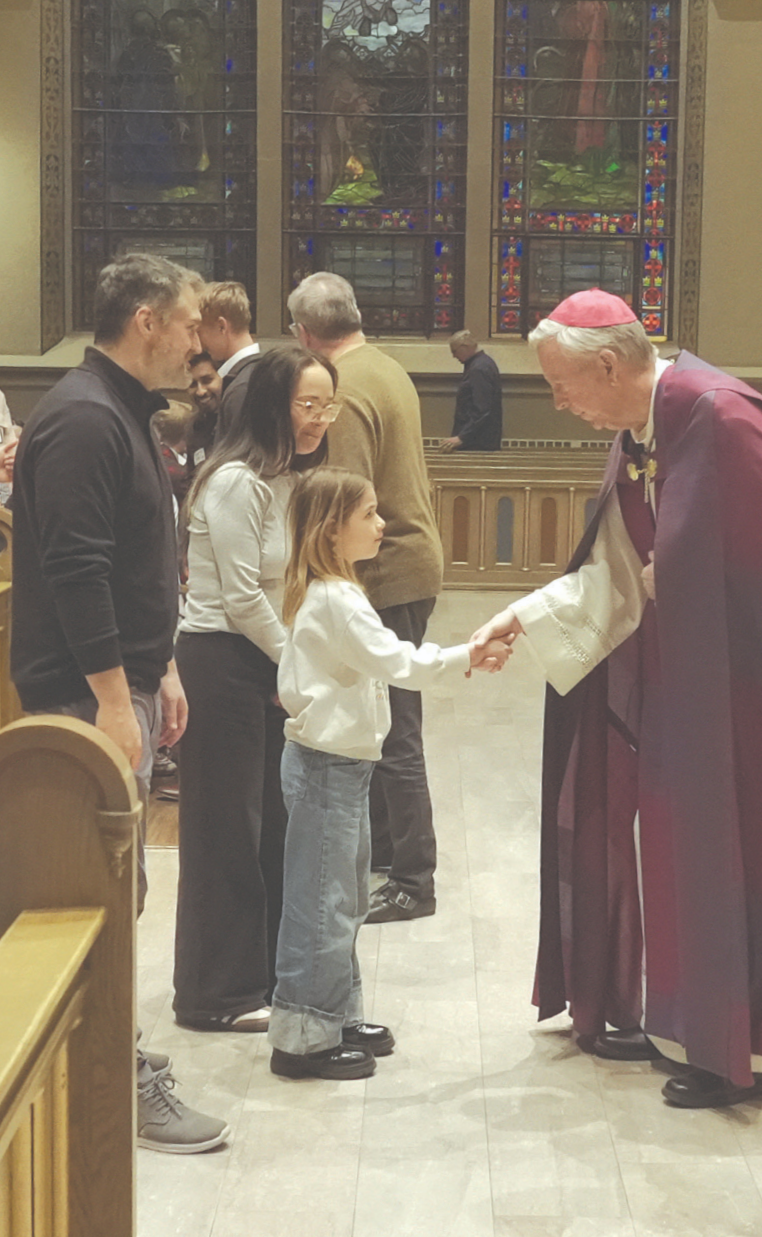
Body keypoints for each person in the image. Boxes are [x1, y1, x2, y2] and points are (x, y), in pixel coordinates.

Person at [472, 287, 762, 1109]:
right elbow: (622, 567)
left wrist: (697, 580)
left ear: (608, 364)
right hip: (693, 690)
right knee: (682, 842)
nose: (559, 404)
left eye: (563, 385)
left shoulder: (723, 420)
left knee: (759, 850)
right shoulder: (648, 432)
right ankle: (698, 1025)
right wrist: (524, 619)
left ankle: (753, 1044)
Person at [10, 252, 230, 1152]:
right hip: (81, 698)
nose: (197, 338)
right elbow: (74, 568)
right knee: (87, 890)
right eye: (187, 321)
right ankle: (104, 1078)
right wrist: (110, 695)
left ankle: (110, 1056)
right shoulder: (84, 420)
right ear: (144, 318)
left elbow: (142, 557)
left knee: (121, 885)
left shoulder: (122, 413)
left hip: (126, 682)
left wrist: (162, 664)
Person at [270, 467, 511, 1080]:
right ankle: (301, 1039)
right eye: (370, 515)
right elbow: (398, 661)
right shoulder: (334, 600)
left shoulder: (337, 591)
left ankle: (335, 1016)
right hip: (327, 770)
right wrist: (468, 655)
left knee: (342, 897)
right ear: (331, 530)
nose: (383, 524)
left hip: (342, 769)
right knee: (321, 904)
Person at [172, 344, 334, 1034]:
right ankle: (214, 992)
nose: (321, 417)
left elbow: (290, 584)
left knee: (271, 824)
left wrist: (295, 659)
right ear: (274, 404)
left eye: (329, 403)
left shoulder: (294, 480)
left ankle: (261, 974)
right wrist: (296, 664)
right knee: (225, 830)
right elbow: (240, 597)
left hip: (263, 660)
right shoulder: (236, 481)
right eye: (308, 403)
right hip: (218, 658)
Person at [287, 272, 444, 924]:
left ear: (303, 333)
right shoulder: (386, 365)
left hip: (388, 564)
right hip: (411, 556)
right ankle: (386, 854)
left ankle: (413, 878)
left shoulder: (342, 393)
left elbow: (343, 500)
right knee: (382, 712)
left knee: (395, 728)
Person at [197, 281, 260, 440]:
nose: (198, 345)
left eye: (199, 332)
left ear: (221, 327)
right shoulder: (263, 371)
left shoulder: (244, 385)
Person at [439, 329, 503, 452]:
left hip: (477, 444)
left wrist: (462, 437)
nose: (453, 356)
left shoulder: (479, 369)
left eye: (454, 351)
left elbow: (482, 409)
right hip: (477, 440)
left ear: (464, 347)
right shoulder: (480, 364)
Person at [185, 350, 222, 478]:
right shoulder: (194, 427)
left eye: (207, 380)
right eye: (193, 384)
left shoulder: (238, 421)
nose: (200, 391)